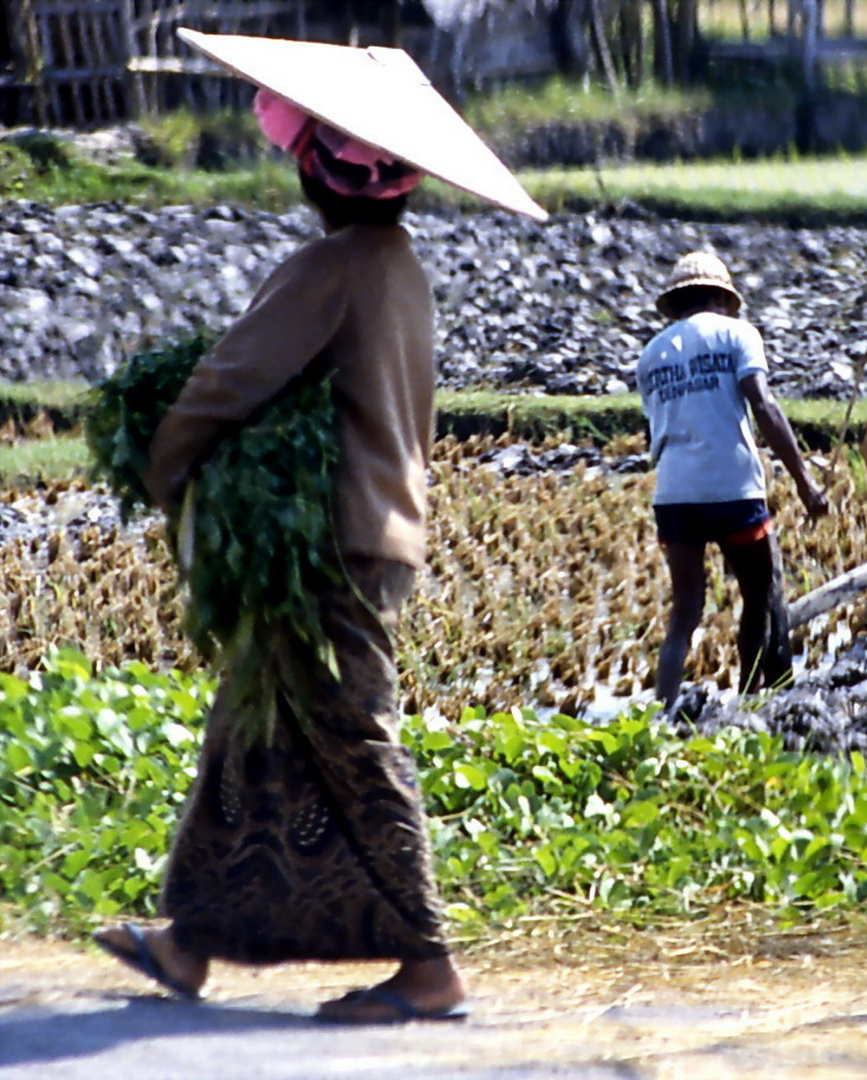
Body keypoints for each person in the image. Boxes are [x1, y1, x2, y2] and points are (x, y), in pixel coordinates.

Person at [91, 32, 545, 1024]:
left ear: (312, 170)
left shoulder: (334, 266)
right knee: (249, 736)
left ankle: (430, 966)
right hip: (374, 534)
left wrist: (167, 466)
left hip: (333, 547)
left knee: (353, 739)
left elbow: (231, 378)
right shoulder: (402, 270)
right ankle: (190, 939)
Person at [638, 252, 829, 714]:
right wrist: (805, 482)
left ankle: (660, 718)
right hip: (733, 488)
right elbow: (763, 406)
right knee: (758, 597)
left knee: (684, 612)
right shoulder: (737, 334)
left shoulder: (651, 355)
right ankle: (748, 702)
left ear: (677, 302)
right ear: (723, 297)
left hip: (674, 493)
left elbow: (655, 431)